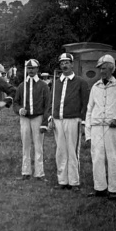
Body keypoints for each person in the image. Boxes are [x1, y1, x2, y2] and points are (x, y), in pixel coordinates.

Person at [86, 55, 116, 200]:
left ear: (112, 69)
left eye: (104, 68)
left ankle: (113, 190)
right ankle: (100, 188)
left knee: (113, 158)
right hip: (96, 128)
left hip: (112, 129)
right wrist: (88, 133)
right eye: (100, 69)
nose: (101, 72)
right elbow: (89, 110)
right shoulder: (95, 87)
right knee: (97, 158)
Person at [48, 53, 89, 191]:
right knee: (60, 151)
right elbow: (52, 101)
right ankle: (62, 181)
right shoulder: (56, 81)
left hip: (73, 120)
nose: (64, 65)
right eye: (62, 63)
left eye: (67, 63)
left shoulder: (81, 82)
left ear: (72, 64)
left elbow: (86, 103)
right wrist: (50, 118)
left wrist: (83, 122)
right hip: (58, 120)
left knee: (72, 151)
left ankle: (74, 182)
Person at [13, 59, 50, 181]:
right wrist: (19, 110)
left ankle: (39, 173)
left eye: (33, 68)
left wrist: (45, 122)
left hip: (37, 117)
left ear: (37, 69)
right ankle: (26, 172)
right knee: (25, 145)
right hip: (25, 119)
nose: (31, 70)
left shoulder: (43, 86)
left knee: (38, 145)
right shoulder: (22, 86)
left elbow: (47, 106)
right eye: (28, 68)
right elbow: (16, 103)